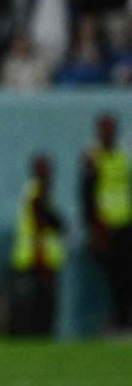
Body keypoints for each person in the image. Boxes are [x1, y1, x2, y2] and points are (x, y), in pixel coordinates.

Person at [82, 114, 132, 329]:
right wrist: (93, 226)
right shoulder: (93, 157)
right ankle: (118, 319)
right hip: (105, 225)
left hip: (126, 223)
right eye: (105, 129)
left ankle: (125, 318)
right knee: (112, 276)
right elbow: (86, 193)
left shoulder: (122, 154)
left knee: (126, 273)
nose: (109, 133)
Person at [9, 155, 65, 336]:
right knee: (38, 309)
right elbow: (39, 227)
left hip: (36, 259)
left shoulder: (42, 192)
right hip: (35, 259)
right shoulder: (37, 193)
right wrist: (41, 259)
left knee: (39, 308)